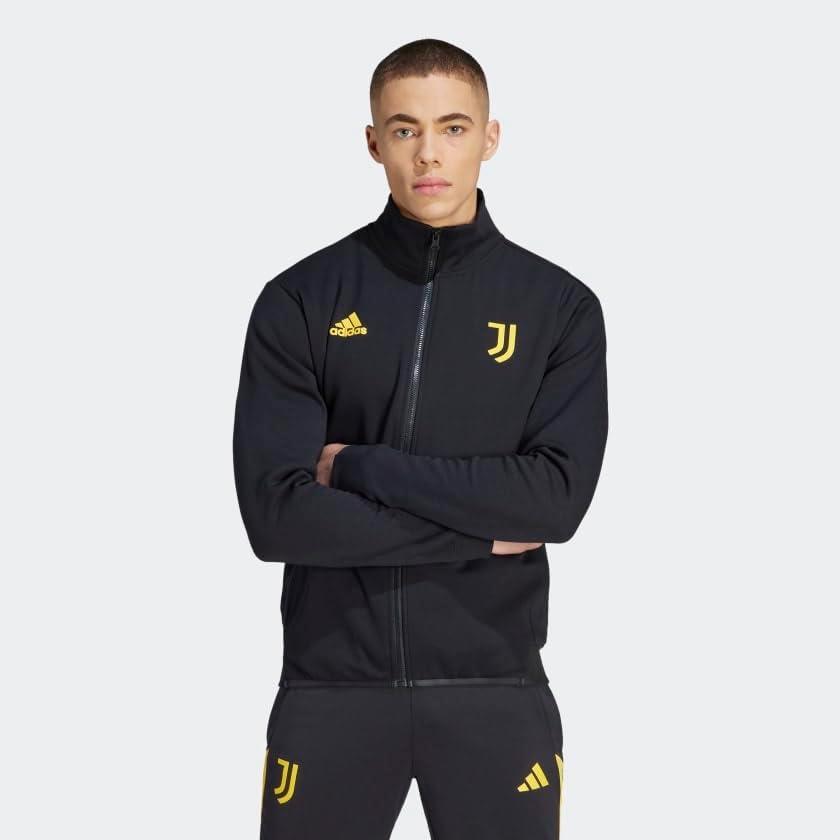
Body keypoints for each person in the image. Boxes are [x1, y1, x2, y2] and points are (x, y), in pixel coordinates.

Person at [233, 37, 608, 839]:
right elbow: (277, 518)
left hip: (495, 692)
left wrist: (362, 467)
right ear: (374, 142)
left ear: (490, 138)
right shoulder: (300, 300)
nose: (428, 153)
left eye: (452, 127)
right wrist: (480, 531)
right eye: (404, 129)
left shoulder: (559, 308)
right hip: (331, 692)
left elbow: (553, 502)